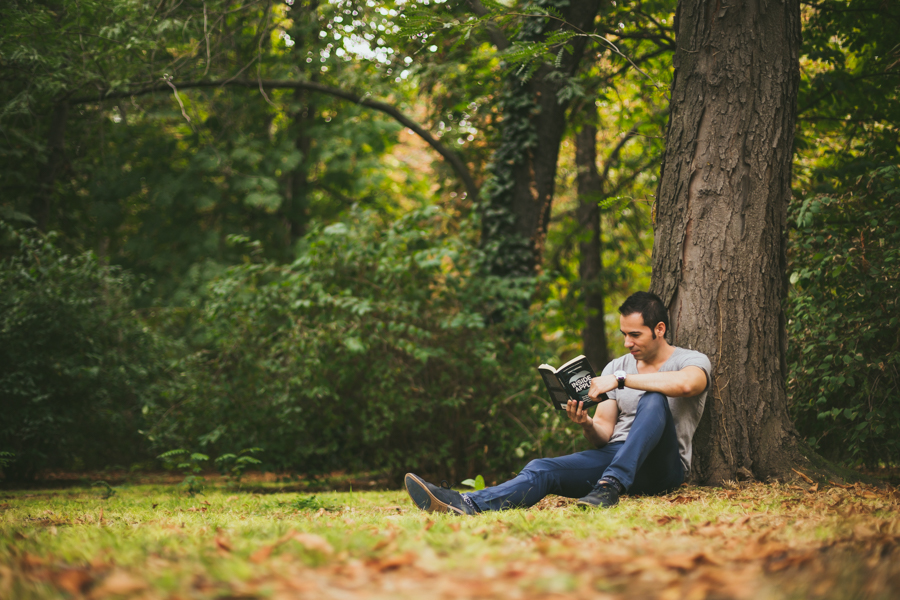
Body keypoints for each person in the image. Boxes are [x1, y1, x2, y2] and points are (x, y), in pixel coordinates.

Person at [404, 291, 711, 514]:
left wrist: (620, 380)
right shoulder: (616, 365)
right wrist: (586, 423)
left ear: (659, 330)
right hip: (614, 459)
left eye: (635, 335)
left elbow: (687, 385)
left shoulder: (689, 360)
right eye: (623, 335)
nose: (627, 343)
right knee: (541, 468)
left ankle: (609, 487)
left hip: (661, 467)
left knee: (654, 398)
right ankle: (465, 503)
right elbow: (604, 433)